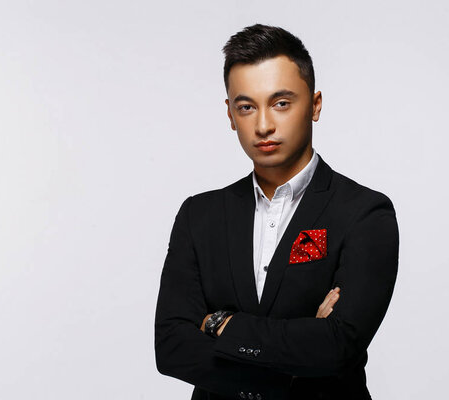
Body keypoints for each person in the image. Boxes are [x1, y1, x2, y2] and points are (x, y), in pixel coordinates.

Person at [154, 23, 399, 400]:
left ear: (314, 105)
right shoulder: (198, 216)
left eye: (281, 103)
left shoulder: (365, 213)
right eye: (247, 106)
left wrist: (218, 323)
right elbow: (171, 347)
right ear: (231, 115)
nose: (264, 125)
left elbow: (338, 346)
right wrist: (289, 372)